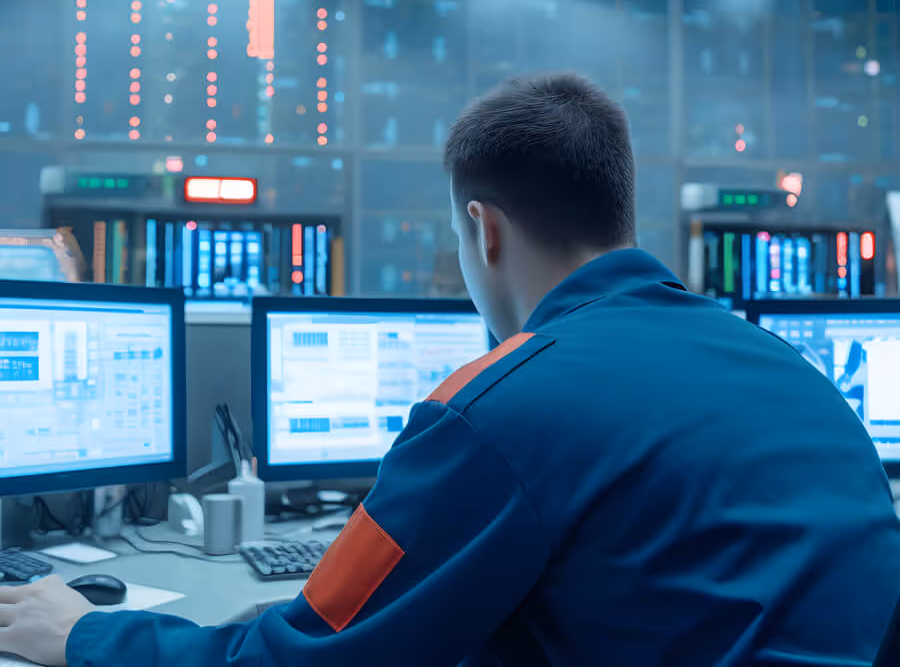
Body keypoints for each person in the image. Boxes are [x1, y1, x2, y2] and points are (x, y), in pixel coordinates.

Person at [1, 73, 899, 666]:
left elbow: (311, 655)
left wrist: (86, 635)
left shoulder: (498, 407)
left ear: (485, 229)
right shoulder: (791, 373)